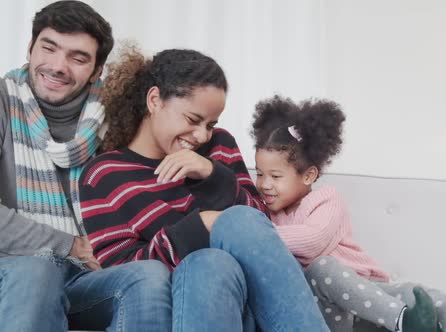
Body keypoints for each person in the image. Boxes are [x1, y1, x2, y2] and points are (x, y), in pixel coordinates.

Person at [79, 45, 329, 331]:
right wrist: (201, 225)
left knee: (235, 226)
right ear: (154, 100)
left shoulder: (219, 146)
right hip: (176, 303)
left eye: (211, 124)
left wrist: (212, 174)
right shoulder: (103, 174)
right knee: (208, 263)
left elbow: (259, 223)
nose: (201, 135)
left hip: (245, 300)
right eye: (193, 120)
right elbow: (124, 273)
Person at [251, 95, 446, 332]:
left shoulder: (326, 200)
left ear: (309, 175)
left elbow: (312, 240)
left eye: (275, 176)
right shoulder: (265, 215)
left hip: (372, 297)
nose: (264, 184)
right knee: (321, 270)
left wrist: (257, 235)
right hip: (327, 314)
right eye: (260, 174)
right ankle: (405, 322)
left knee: (416, 294)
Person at [0, 2, 172, 331]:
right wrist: (71, 245)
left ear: (96, 71)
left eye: (77, 58)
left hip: (88, 276)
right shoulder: (3, 100)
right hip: (14, 270)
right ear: (30, 48)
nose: (57, 66)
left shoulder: (118, 117)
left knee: (149, 275)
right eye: (48, 48)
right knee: (38, 271)